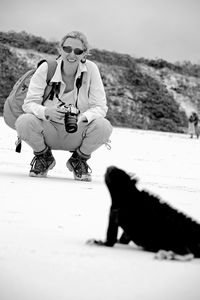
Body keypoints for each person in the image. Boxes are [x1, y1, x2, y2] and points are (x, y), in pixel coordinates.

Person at [15, 31, 113, 181]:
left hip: (77, 130)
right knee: (24, 121)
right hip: (48, 128)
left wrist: (83, 117)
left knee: (104, 126)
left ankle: (78, 160)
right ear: (60, 49)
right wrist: (47, 111)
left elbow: (100, 107)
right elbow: (29, 104)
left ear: (84, 54)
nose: (71, 54)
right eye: (67, 49)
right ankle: (44, 157)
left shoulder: (92, 69)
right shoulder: (46, 68)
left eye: (78, 51)